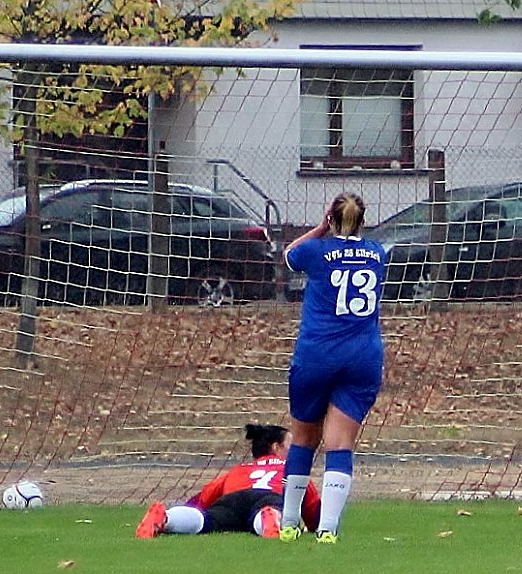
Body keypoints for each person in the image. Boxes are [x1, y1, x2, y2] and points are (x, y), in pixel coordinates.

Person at [278, 193, 386, 544]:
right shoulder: (377, 254)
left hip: (317, 354)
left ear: (332, 218)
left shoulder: (317, 251)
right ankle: (327, 529)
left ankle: (290, 523)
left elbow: (289, 254)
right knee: (340, 443)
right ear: (363, 220)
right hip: (362, 356)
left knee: (304, 437)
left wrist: (320, 229)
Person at [135, 423, 321, 539]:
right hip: (269, 498)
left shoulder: (239, 470)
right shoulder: (292, 471)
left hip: (232, 500)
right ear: (276, 447)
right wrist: (314, 525)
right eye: (291, 445)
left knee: (206, 521)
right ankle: (270, 517)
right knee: (269, 515)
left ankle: (167, 518)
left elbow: (203, 499)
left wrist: (187, 507)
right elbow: (313, 513)